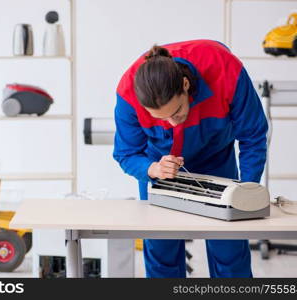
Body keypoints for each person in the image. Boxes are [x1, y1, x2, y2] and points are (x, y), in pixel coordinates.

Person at [113, 40, 268, 278]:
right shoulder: (127, 93)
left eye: (177, 112)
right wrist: (152, 168)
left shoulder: (225, 69)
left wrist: (246, 190)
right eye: (162, 119)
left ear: (185, 85)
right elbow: (127, 153)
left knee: (229, 250)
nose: (173, 122)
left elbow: (253, 136)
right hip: (161, 166)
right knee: (160, 250)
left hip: (216, 158)